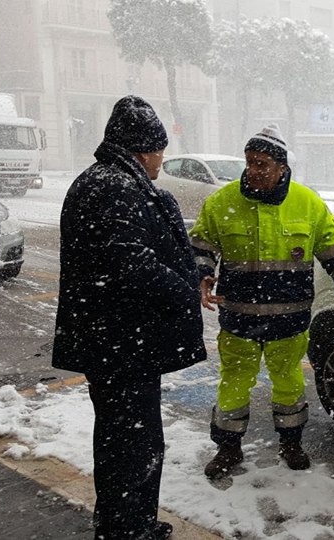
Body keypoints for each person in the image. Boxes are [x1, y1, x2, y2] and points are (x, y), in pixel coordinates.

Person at [53, 95, 206, 540]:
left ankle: (127, 522)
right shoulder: (113, 186)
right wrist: (184, 291)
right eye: (160, 151)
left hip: (120, 341)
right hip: (122, 344)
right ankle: (126, 529)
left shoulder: (107, 181)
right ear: (143, 150)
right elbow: (131, 262)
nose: (163, 160)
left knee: (128, 440)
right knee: (131, 444)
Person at [190, 123, 334, 478]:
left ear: (282, 167)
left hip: (289, 319)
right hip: (239, 318)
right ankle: (228, 449)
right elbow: (201, 245)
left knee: (288, 382)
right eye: (250, 162)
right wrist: (203, 274)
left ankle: (291, 443)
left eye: (262, 164)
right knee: (234, 382)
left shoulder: (308, 203)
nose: (253, 171)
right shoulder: (223, 203)